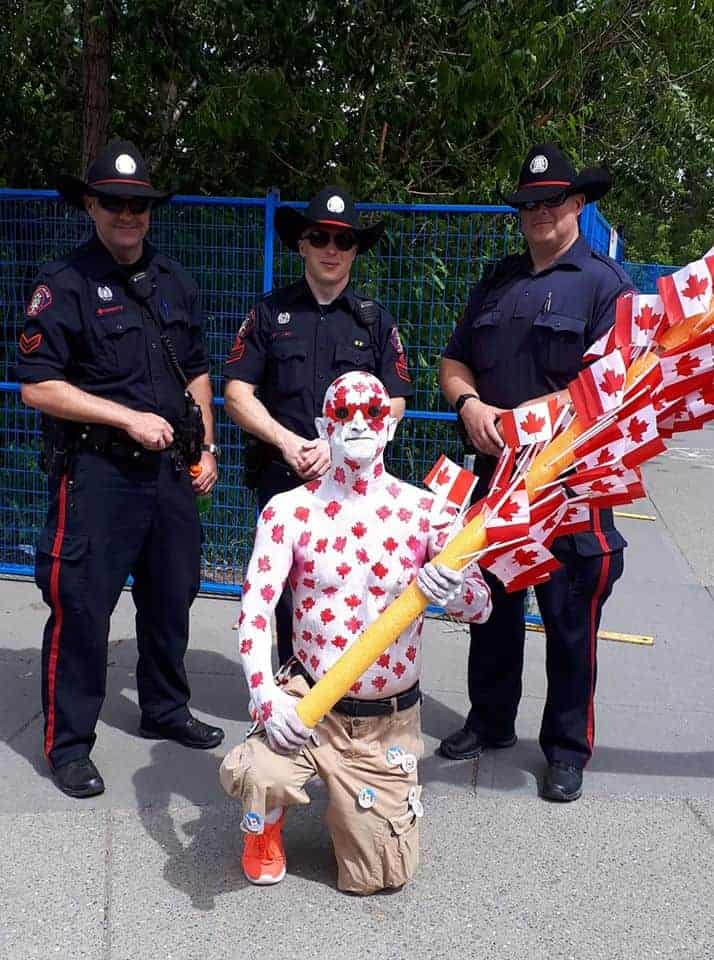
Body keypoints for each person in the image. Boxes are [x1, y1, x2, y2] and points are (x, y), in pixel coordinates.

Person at [219, 371, 492, 894]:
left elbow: (482, 607)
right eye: (344, 414)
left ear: (390, 426)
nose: (360, 423)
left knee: (381, 876)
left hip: (386, 718)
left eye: (373, 413)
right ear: (325, 427)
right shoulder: (289, 511)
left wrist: (453, 590)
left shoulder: (426, 512)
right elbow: (255, 609)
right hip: (311, 699)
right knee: (258, 772)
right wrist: (266, 698)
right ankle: (266, 822)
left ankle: (357, 807)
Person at [16, 139, 224, 799]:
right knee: (81, 608)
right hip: (98, 476)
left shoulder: (174, 279)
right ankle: (68, 744)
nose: (127, 214)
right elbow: (37, 387)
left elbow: (195, 370)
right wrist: (123, 418)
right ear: (90, 205)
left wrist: (207, 446)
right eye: (114, 202)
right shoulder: (63, 283)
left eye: (138, 205)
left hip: (168, 476)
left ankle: (164, 708)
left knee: (171, 596)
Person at [439, 142, 633, 802]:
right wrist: (468, 404)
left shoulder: (606, 286)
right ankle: (489, 721)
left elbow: (615, 385)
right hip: (498, 483)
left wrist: (531, 417)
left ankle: (566, 749)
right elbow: (453, 361)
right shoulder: (498, 280)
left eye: (552, 200)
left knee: (569, 622)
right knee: (492, 611)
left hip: (570, 488)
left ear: (578, 204)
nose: (540, 212)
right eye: (529, 203)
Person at [223, 185, 414, 666]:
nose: (332, 249)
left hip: (353, 487)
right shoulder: (269, 315)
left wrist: (343, 448)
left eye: (343, 240)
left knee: (354, 587)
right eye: (320, 237)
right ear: (301, 244)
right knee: (286, 593)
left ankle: (352, 701)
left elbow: (395, 401)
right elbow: (236, 395)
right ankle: (289, 691)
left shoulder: (374, 322)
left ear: (355, 250)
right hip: (285, 478)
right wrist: (286, 442)